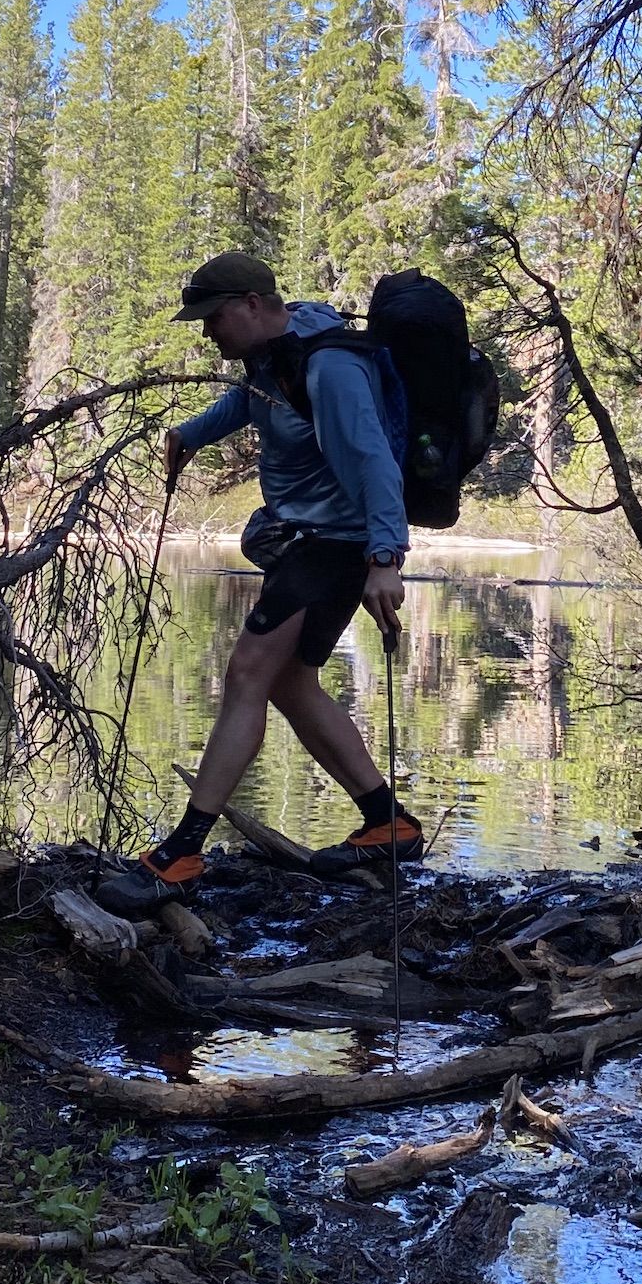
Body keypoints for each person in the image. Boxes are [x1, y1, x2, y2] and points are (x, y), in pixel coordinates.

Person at [138, 250, 424, 890]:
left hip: (335, 545)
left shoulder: (329, 367)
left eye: (212, 319)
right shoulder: (275, 357)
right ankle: (389, 823)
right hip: (307, 542)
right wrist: (191, 434)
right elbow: (251, 403)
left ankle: (182, 853)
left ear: (249, 305)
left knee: (246, 673)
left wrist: (385, 559)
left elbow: (374, 461)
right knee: (290, 684)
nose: (208, 334)